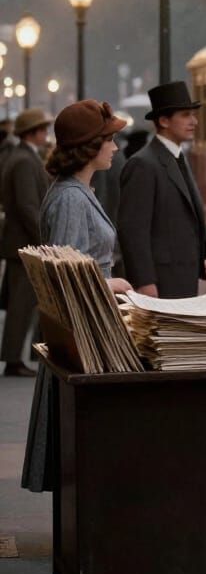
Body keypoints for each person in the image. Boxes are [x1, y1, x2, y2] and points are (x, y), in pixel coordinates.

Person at [23, 100, 132, 492]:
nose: (116, 148)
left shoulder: (76, 191)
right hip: (84, 330)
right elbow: (64, 275)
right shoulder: (70, 197)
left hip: (92, 324)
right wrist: (111, 284)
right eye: (110, 140)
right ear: (90, 147)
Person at [118, 81, 206, 298]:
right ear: (163, 121)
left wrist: (205, 258)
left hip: (185, 279)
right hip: (162, 283)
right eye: (186, 115)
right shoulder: (143, 164)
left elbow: (192, 215)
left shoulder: (179, 158)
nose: (194, 121)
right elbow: (133, 230)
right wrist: (144, 282)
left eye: (193, 114)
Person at [0, 108, 52, 377]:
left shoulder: (23, 157)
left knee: (22, 304)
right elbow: (27, 206)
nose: (46, 134)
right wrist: (44, 240)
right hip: (24, 244)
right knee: (21, 305)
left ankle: (15, 356)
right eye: (43, 129)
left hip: (20, 242)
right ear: (33, 132)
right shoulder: (23, 160)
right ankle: (12, 358)